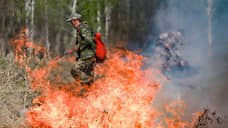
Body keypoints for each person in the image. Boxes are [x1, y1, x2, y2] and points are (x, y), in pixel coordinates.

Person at [66, 13, 96, 85]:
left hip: (88, 56)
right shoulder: (80, 29)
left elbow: (88, 40)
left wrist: (79, 46)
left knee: (75, 70)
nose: (71, 24)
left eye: (71, 21)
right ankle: (91, 91)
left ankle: (91, 85)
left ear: (75, 20)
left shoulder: (83, 28)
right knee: (85, 75)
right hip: (85, 56)